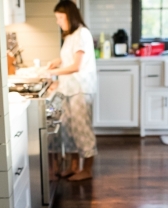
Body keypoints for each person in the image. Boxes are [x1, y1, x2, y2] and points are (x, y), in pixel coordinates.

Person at [44, 1, 97, 181]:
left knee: (82, 129)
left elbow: (76, 65)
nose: (58, 21)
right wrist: (56, 61)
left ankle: (87, 170)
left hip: (80, 89)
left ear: (70, 16)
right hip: (68, 89)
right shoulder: (70, 35)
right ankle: (74, 167)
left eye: (60, 17)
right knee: (69, 129)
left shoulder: (82, 33)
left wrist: (51, 72)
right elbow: (67, 58)